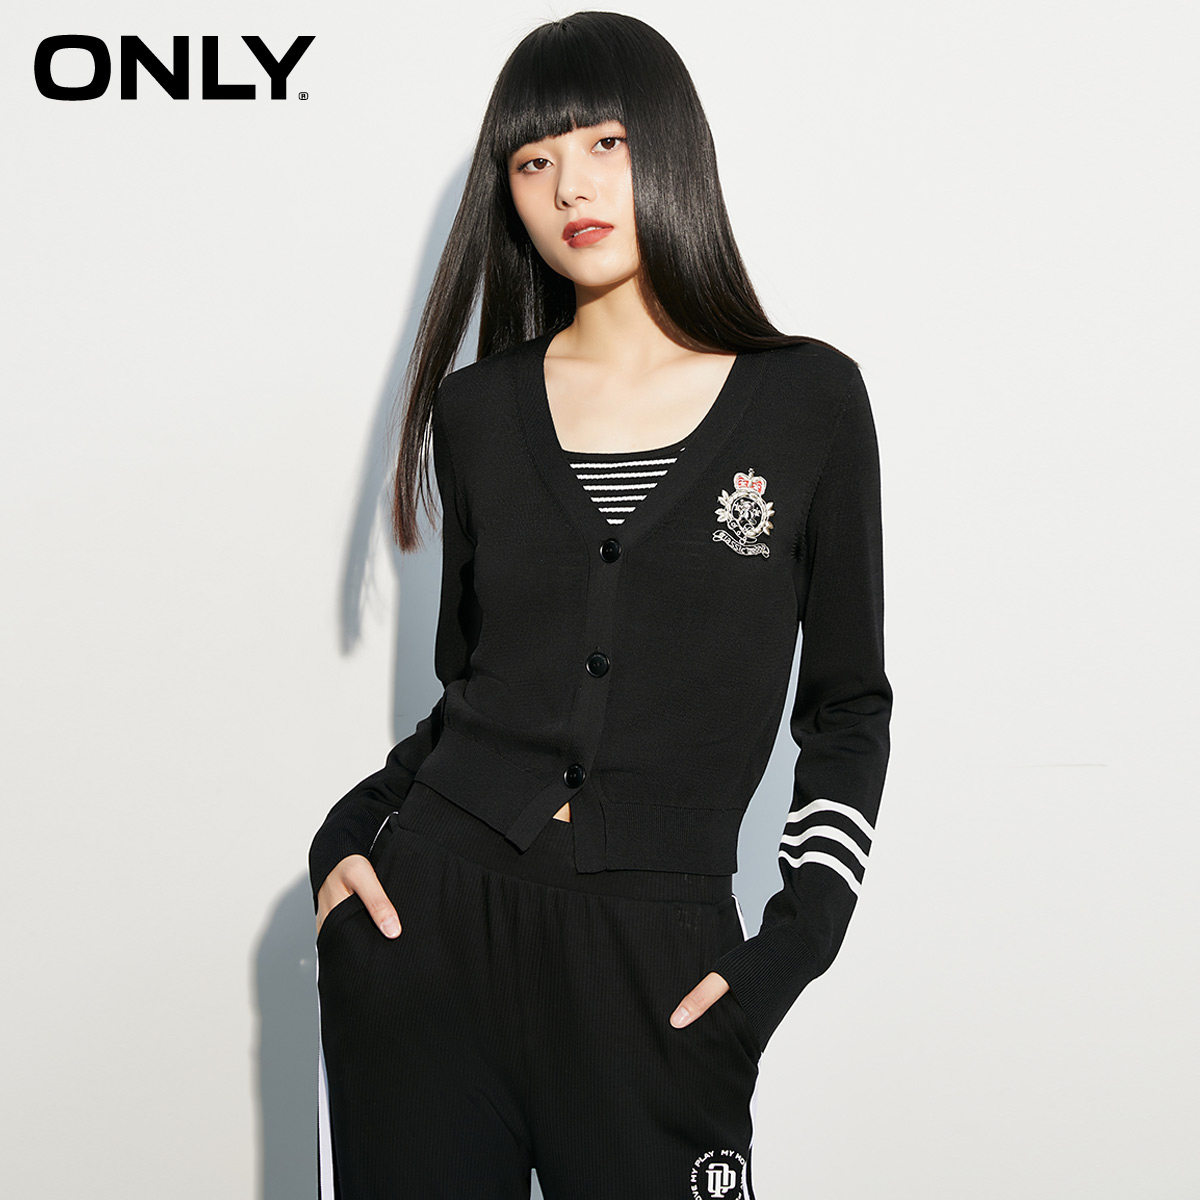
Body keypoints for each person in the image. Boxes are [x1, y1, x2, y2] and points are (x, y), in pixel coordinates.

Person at [308, 11, 893, 1200]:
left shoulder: (809, 402)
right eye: (533, 160)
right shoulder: (479, 412)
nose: (569, 185)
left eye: (605, 143)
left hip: (659, 960)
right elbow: (469, 693)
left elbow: (848, 710)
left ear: (671, 148)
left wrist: (793, 949)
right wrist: (343, 843)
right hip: (430, 933)